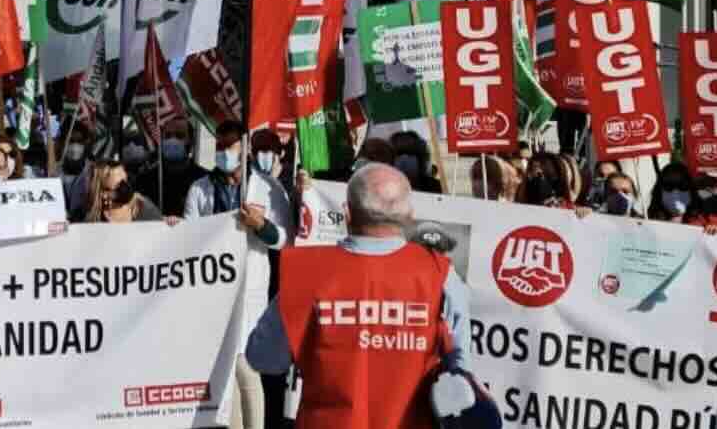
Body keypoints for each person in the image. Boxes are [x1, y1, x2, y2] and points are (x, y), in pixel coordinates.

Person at [247, 162, 473, 428]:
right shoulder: (440, 274)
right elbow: (461, 371)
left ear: (346, 213)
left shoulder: (306, 272)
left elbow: (264, 358)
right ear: (409, 216)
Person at [182, 122, 292, 429]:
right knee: (224, 371)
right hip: (212, 291)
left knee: (246, 367)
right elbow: (190, 234)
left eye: (229, 147)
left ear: (244, 150)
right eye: (219, 146)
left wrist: (262, 227)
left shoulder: (268, 188)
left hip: (249, 289)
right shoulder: (200, 189)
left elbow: (286, 239)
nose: (223, 153)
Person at [137, 119, 202, 218]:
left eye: (179, 136)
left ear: (191, 141)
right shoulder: (144, 180)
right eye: (167, 136)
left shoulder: (202, 180)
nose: (172, 140)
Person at [82, 159, 164, 222]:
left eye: (126, 181)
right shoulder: (92, 220)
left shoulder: (142, 206)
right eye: (119, 186)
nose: (126, 189)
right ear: (103, 194)